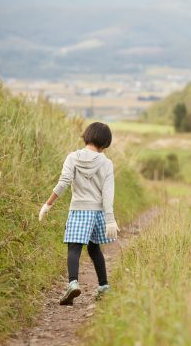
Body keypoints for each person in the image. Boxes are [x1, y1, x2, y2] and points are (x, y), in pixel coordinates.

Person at [38, 122, 120, 305]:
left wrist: (48, 204)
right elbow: (108, 193)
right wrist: (110, 218)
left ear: (87, 136)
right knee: (94, 248)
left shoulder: (72, 157)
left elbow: (64, 182)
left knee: (74, 248)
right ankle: (104, 286)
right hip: (97, 212)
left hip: (78, 209)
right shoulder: (106, 163)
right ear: (106, 142)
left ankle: (73, 284)